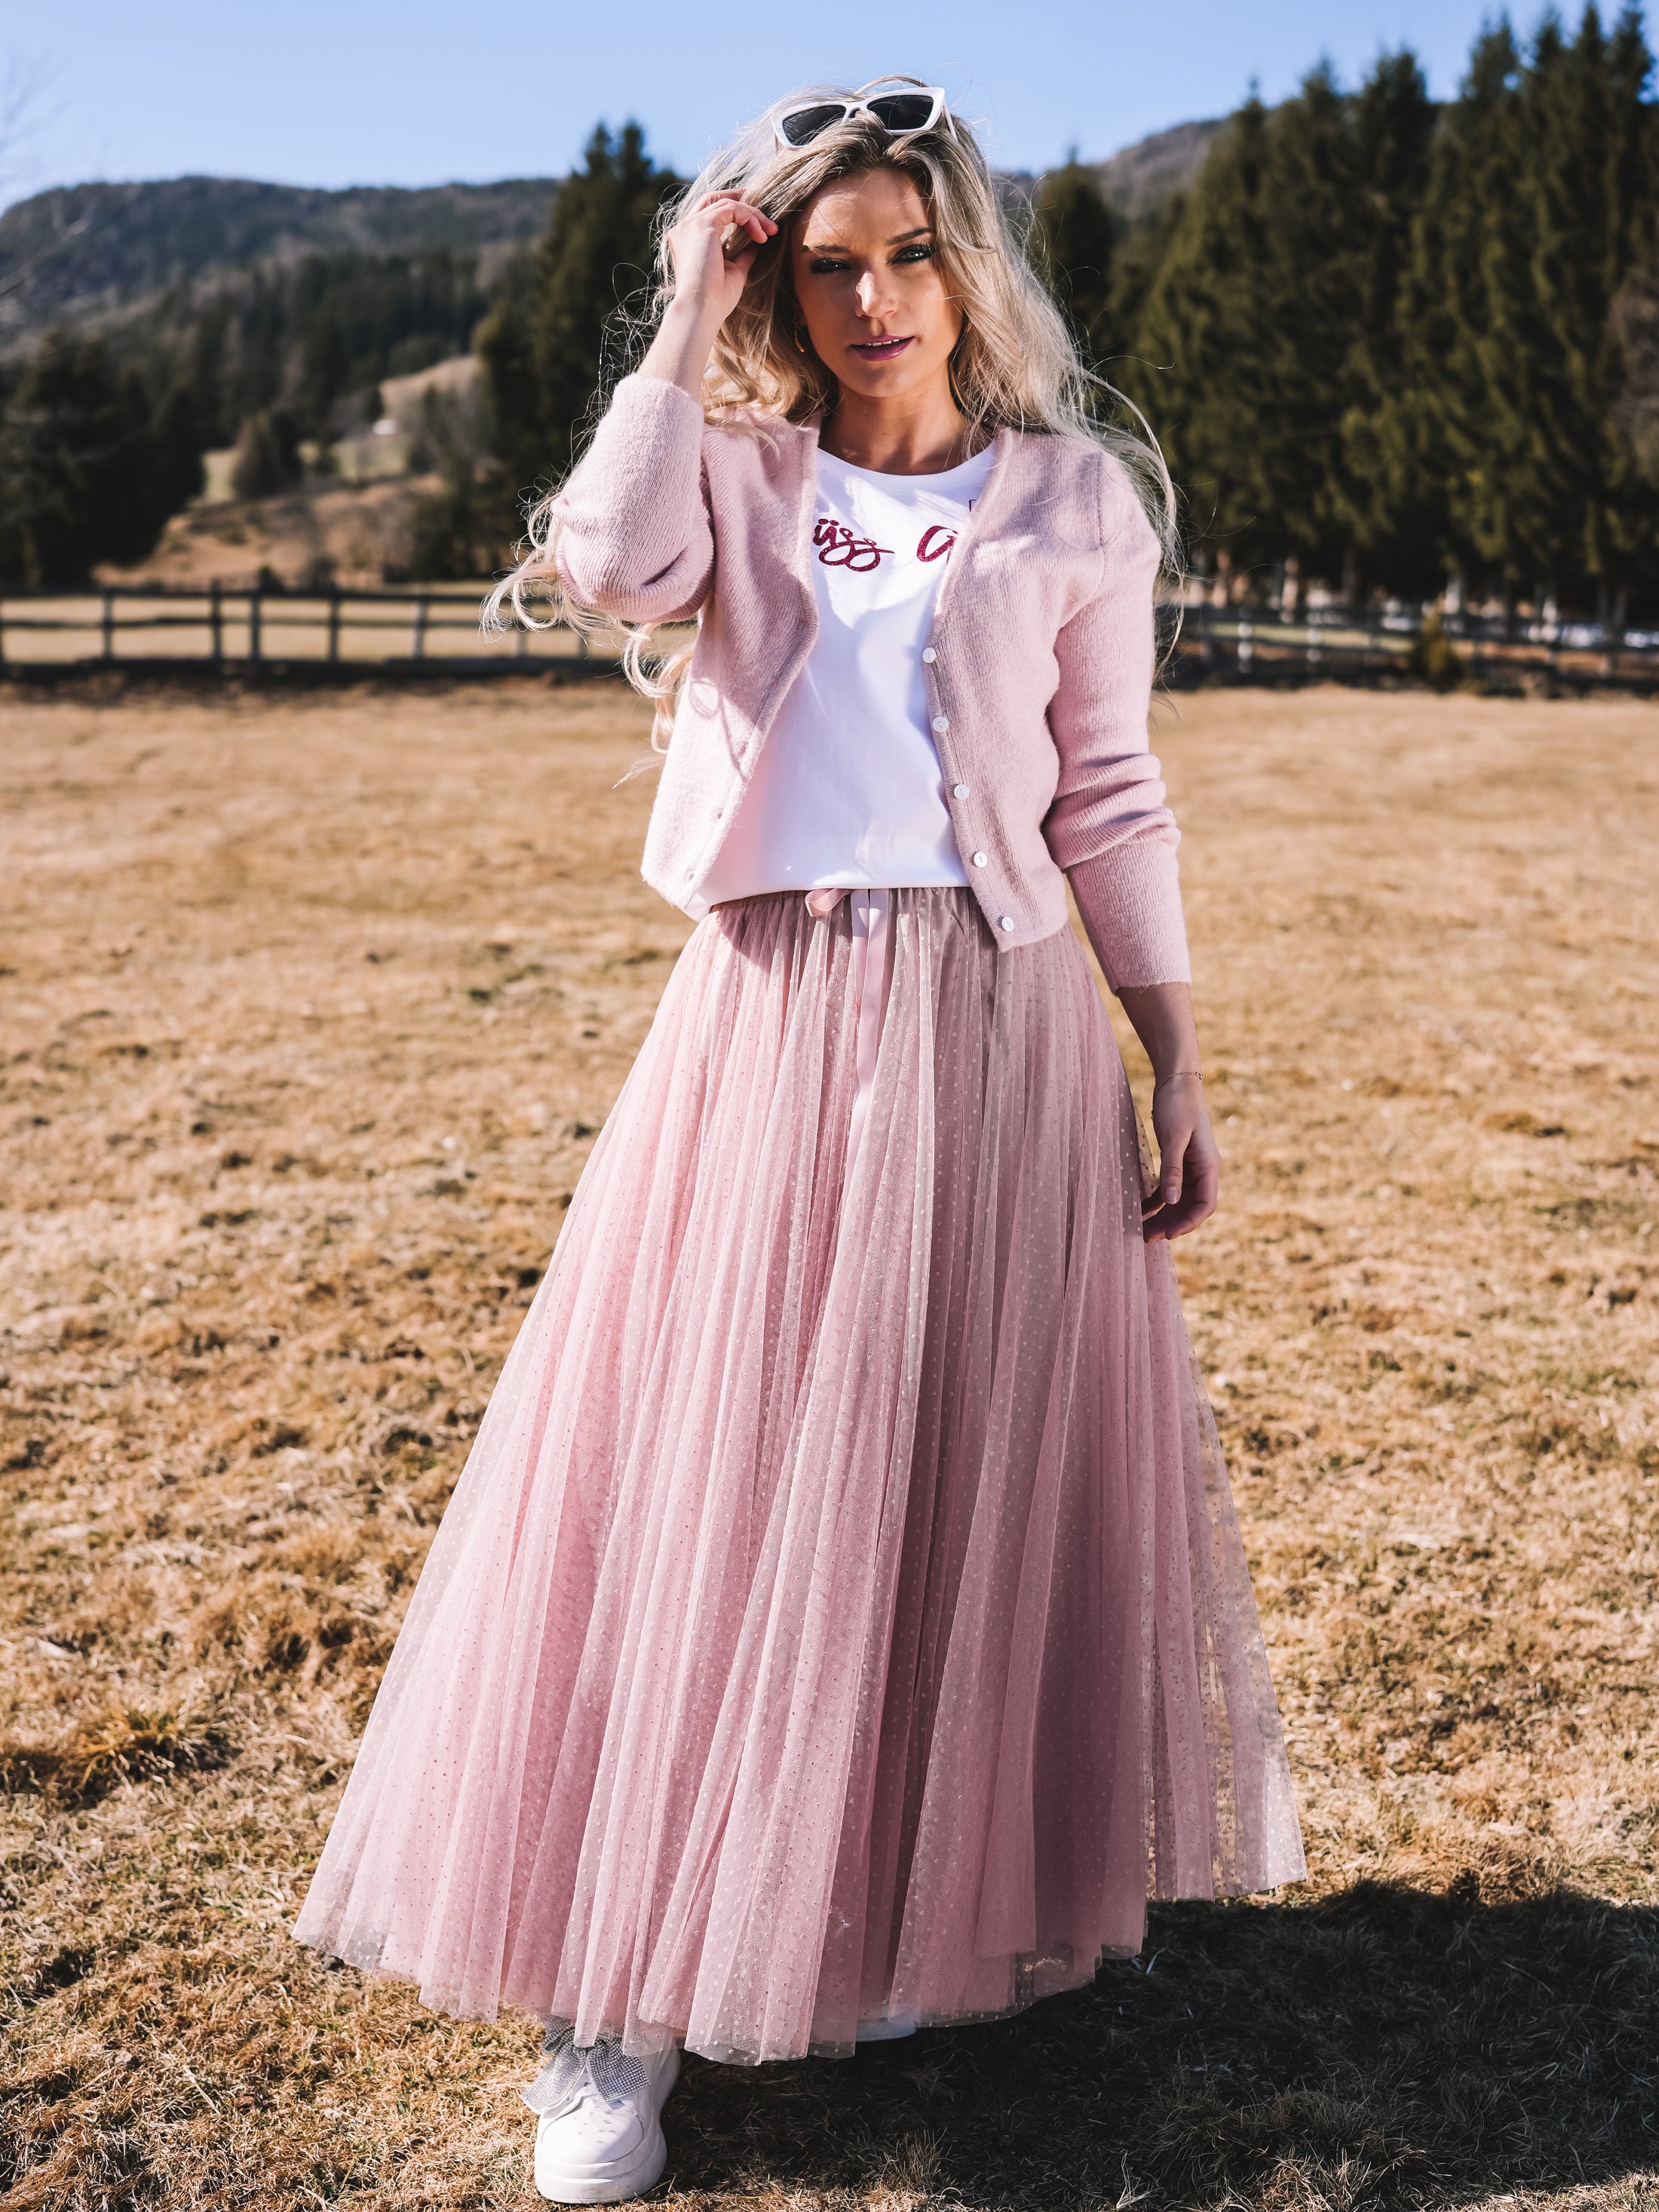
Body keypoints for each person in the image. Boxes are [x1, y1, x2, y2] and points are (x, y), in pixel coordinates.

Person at [294, 78, 1305, 2206]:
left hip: (1004, 1025)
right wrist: (686, 305)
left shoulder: (1074, 502)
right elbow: (604, 562)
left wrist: (1176, 1051)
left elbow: (1110, 793)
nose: (875, 298)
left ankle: (870, 1919)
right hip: (768, 1017)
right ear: (786, 280)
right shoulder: (735, 478)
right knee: (707, 1468)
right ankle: (609, 1997)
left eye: (910, 253)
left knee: (933, 1466)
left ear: (969, 263)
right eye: (829, 262)